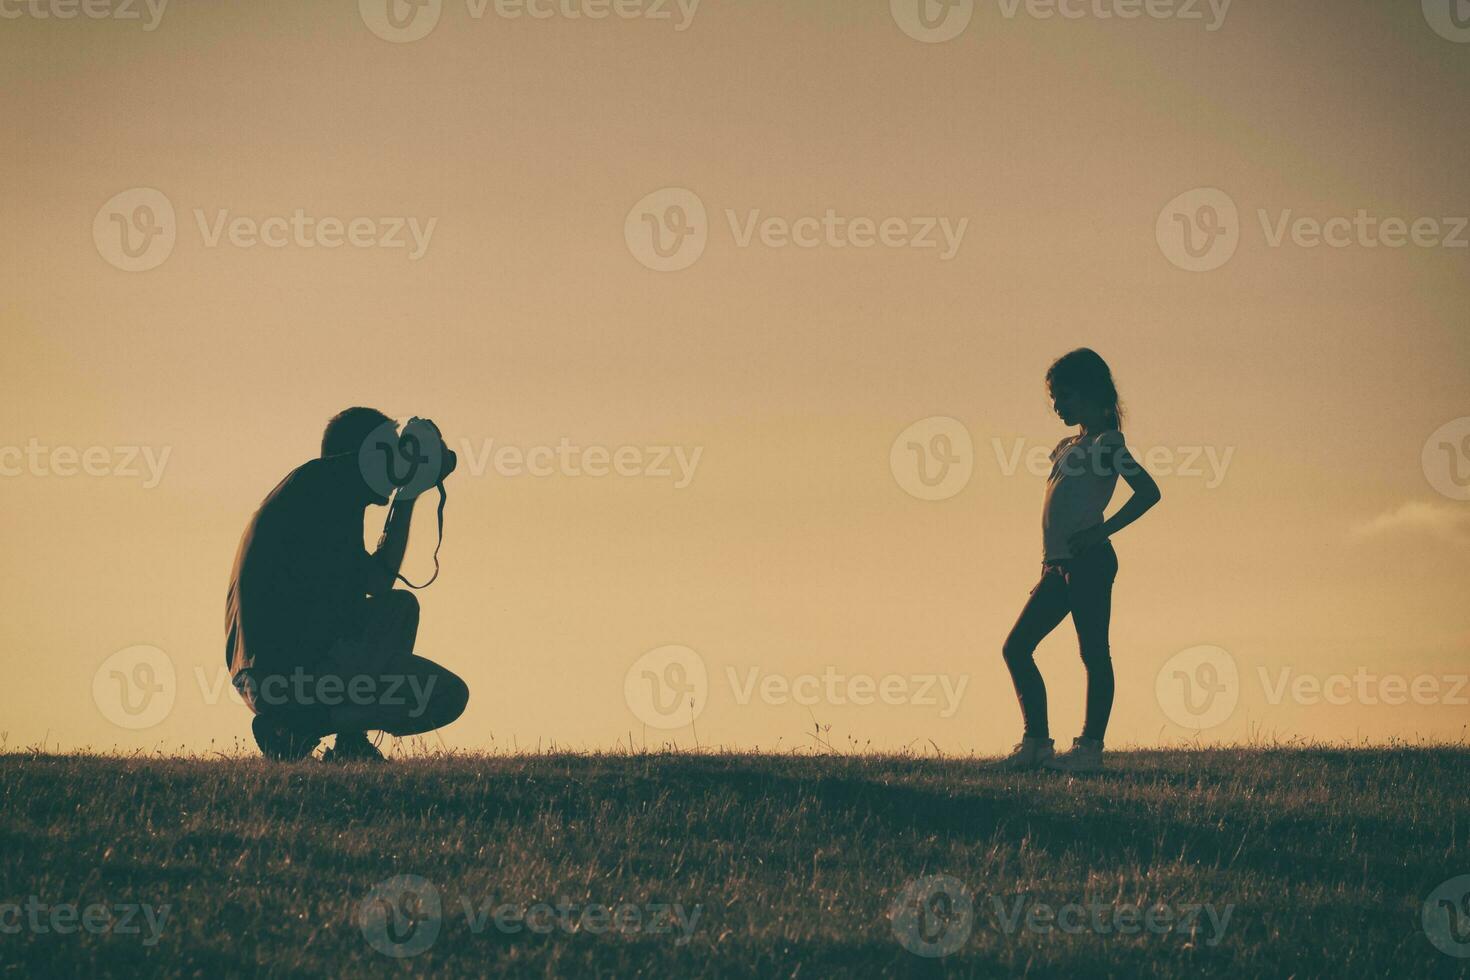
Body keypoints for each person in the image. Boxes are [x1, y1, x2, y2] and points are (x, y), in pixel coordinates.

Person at [225, 408, 468, 762]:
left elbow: (378, 585)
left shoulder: (317, 493)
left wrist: (408, 493)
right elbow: (378, 580)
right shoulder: (328, 483)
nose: (400, 460)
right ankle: (300, 727)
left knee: (398, 609)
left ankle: (344, 740)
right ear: (364, 455)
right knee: (446, 694)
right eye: (392, 449)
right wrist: (413, 479)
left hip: (269, 672)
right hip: (286, 672)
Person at [992, 350, 1161, 773]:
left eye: (1063, 396)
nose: (1056, 406)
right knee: (1017, 647)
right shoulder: (1069, 445)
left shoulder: (1108, 443)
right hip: (1057, 565)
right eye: (1053, 398)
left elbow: (1148, 492)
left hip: (1089, 562)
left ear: (1087, 393)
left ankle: (1089, 750)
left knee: (1093, 653)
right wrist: (1049, 563)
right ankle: (1036, 743)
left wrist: (1100, 532)